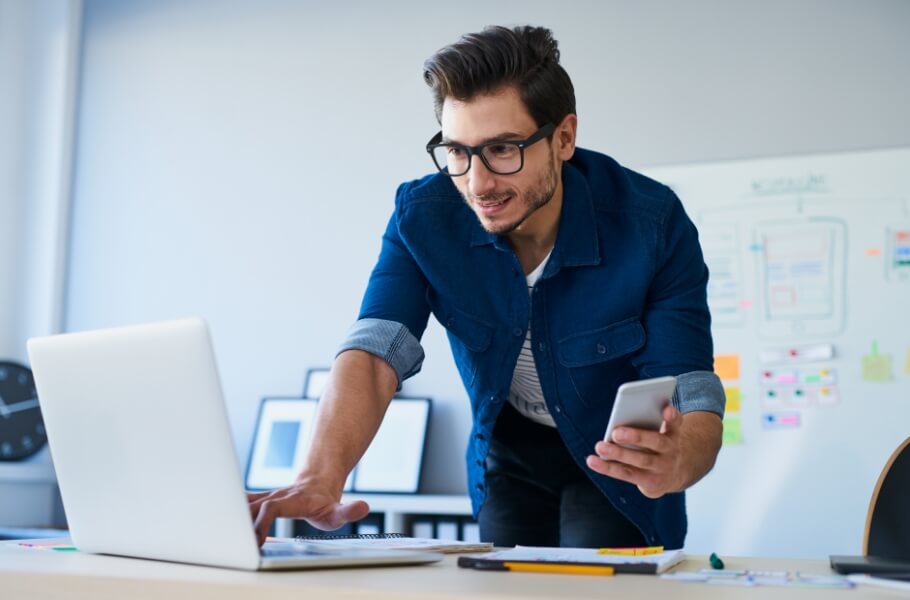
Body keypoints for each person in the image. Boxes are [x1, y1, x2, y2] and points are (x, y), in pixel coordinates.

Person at [248, 25, 724, 549]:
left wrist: (687, 456)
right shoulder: (423, 217)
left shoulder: (652, 223)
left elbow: (690, 383)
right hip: (510, 452)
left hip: (615, 457)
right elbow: (375, 349)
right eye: (457, 151)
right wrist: (320, 474)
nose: (477, 183)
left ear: (563, 138)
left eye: (501, 149)